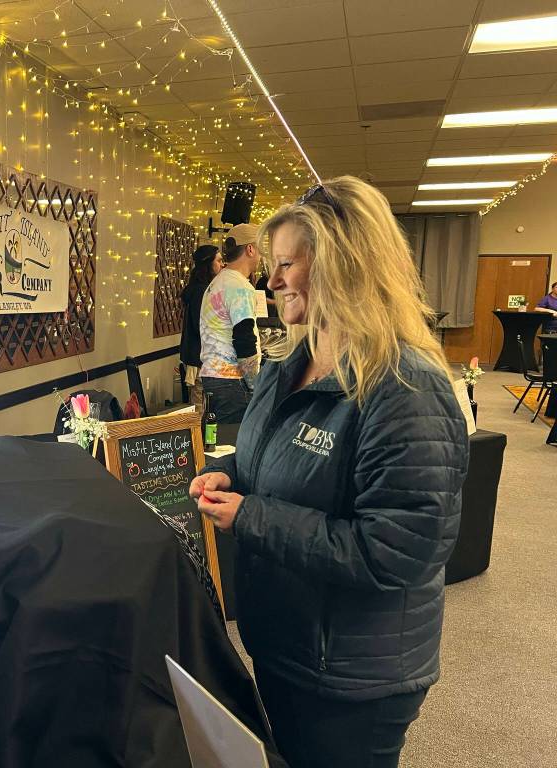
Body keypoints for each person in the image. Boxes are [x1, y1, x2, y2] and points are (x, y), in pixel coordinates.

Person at [189, 177, 469, 768]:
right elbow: (262, 459)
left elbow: (393, 553)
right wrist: (229, 477)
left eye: (286, 263)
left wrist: (252, 516)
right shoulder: (292, 363)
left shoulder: (406, 388)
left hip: (352, 679)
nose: (271, 280)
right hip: (286, 649)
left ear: (342, 265)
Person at [198, 222, 262, 423]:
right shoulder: (240, 287)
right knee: (231, 446)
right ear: (250, 249)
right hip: (232, 381)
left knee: (215, 446)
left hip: (213, 378)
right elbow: (244, 338)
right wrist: (255, 384)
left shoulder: (217, 282)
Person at [179, 244, 222, 407]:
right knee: (199, 407)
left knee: (201, 404)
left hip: (198, 354)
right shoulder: (201, 292)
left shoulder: (200, 289)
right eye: (218, 261)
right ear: (208, 264)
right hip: (200, 357)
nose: (222, 265)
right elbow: (201, 326)